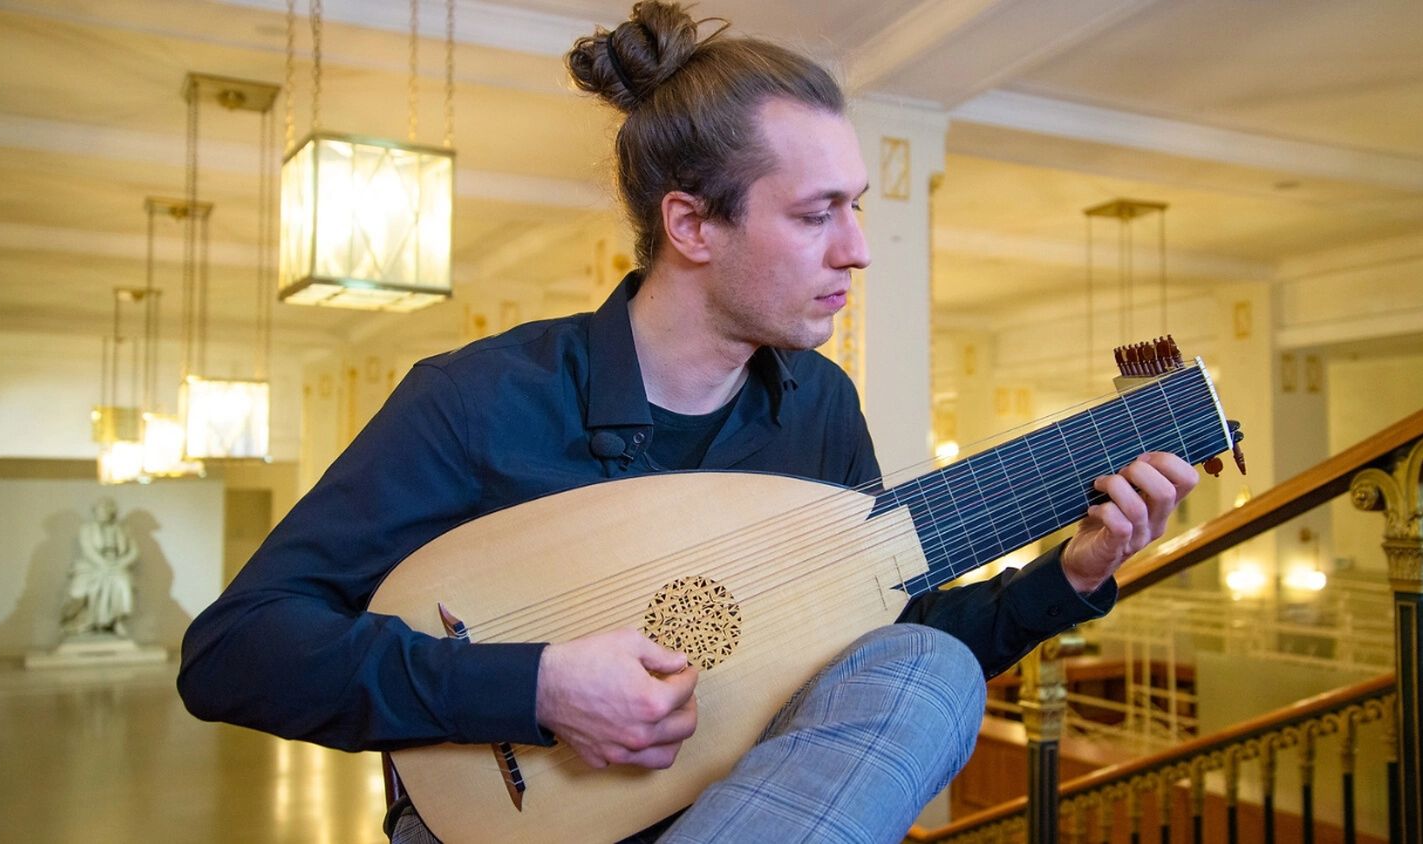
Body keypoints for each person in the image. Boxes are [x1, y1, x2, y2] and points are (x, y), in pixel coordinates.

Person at [178, 3, 1199, 841]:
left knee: (925, 668)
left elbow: (880, 642)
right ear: (691, 223)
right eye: (815, 214)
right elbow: (234, 653)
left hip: (739, 812)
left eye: (857, 208)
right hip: (512, 827)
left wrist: (1071, 574)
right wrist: (533, 686)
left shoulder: (818, 409)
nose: (857, 251)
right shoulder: (480, 398)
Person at [63, 496, 138, 637]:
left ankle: (116, 621)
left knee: (123, 582)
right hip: (91, 567)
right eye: (98, 510)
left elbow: (133, 551)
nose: (101, 513)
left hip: (117, 565)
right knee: (79, 592)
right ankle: (81, 622)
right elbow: (88, 550)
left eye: (104, 510)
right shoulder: (87, 529)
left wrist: (120, 563)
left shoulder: (122, 529)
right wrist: (105, 565)